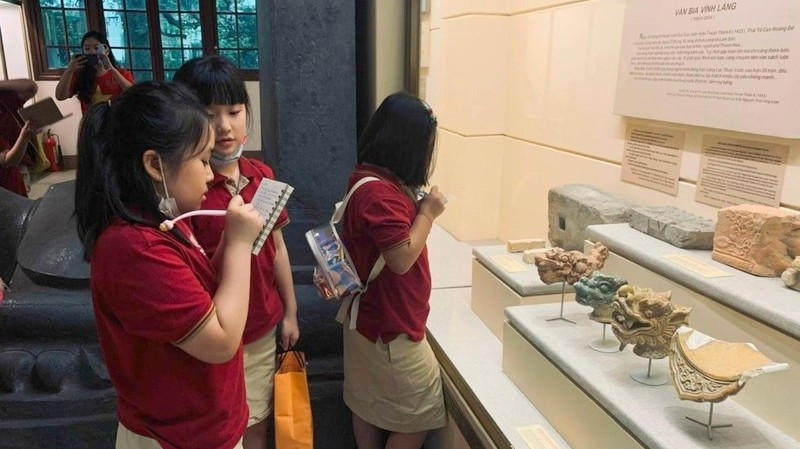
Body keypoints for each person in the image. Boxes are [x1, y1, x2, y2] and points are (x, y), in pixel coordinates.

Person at [74, 81, 265, 449]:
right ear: (154, 165)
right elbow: (221, 340)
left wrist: (227, 239)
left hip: (199, 424)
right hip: (177, 436)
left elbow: (197, 294)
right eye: (203, 160)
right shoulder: (134, 249)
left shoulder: (161, 222)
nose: (211, 175)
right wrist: (240, 244)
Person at [173, 55, 300, 449]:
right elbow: (193, 275)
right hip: (212, 334)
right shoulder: (187, 192)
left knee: (257, 423)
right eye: (209, 114)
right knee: (222, 430)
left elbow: (276, 247)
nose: (224, 126)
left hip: (262, 327)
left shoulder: (262, 176)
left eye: (234, 111)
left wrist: (291, 311)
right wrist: (233, 239)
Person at [340, 92, 447, 449]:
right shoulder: (382, 195)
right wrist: (428, 213)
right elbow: (401, 259)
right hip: (389, 327)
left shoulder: (366, 177)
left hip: (365, 320)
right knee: (425, 413)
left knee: (366, 405)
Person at [55, 30, 134, 114]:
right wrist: (69, 70)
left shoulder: (122, 73)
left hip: (116, 123)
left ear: (106, 50)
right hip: (91, 124)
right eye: (87, 49)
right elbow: (60, 96)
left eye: (96, 48)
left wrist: (112, 69)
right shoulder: (79, 75)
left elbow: (133, 93)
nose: (92, 52)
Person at [0, 79, 38, 196]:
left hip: (15, 170)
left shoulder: (3, 98)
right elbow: (7, 160)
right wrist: (24, 137)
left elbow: (30, 87)